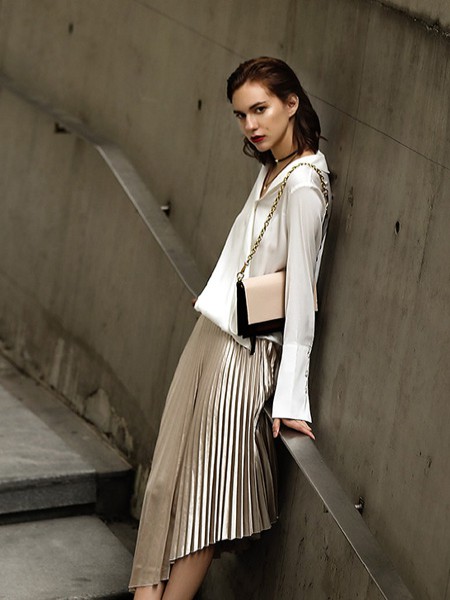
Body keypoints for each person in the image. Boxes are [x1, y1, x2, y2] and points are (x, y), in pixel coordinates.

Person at [129, 56, 331, 600]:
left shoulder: (305, 184)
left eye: (260, 109)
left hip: (244, 354)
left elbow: (302, 295)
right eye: (241, 115)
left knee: (203, 500)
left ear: (292, 103)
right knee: (167, 484)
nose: (251, 125)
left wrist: (291, 398)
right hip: (213, 336)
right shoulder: (272, 169)